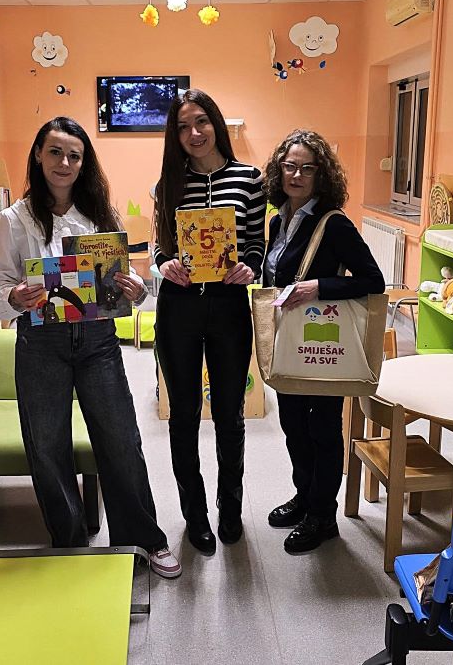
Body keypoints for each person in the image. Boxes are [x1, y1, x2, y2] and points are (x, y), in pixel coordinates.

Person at [0, 116, 181, 579]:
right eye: (55, 152)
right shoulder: (14, 219)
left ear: (84, 162)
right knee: (46, 446)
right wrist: (15, 296)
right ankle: (69, 542)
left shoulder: (99, 212)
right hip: (40, 342)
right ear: (38, 155)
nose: (65, 163)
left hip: (97, 340)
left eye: (74, 155)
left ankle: (143, 541)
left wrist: (136, 287)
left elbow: (121, 275)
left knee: (121, 440)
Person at [153, 89, 265, 555]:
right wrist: (163, 264)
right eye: (182, 126)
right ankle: (194, 514)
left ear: (216, 123)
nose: (194, 133)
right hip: (178, 307)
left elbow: (257, 244)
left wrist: (250, 267)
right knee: (182, 415)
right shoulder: (167, 183)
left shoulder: (249, 179)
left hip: (228, 308)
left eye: (201, 121)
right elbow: (159, 246)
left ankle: (230, 508)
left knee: (229, 415)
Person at [262, 129, 384, 554]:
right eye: (289, 166)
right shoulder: (278, 220)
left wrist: (319, 287)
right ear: (279, 171)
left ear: (321, 175)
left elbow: (373, 280)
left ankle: (323, 516)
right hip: (291, 340)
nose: (296, 175)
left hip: (325, 344)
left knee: (323, 428)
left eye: (307, 168)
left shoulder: (334, 224)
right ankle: (304, 496)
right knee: (293, 424)